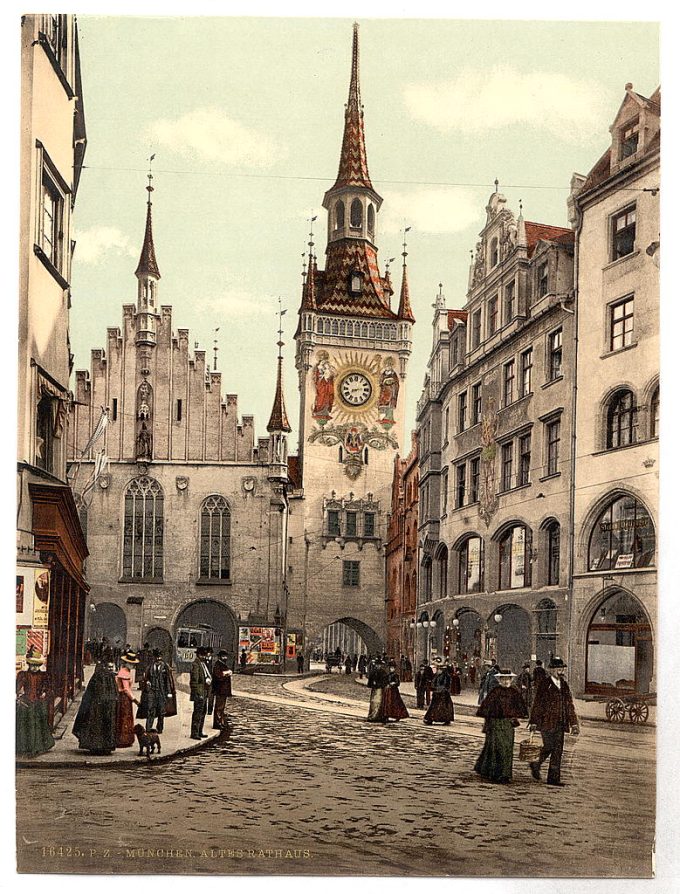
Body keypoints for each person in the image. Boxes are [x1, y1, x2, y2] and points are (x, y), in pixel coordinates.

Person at [528, 656, 579, 786]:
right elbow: (538, 703)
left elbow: (569, 705)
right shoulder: (545, 684)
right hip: (546, 722)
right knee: (549, 746)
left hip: (561, 722)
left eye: (562, 669)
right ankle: (536, 763)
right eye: (557, 669)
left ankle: (553, 779)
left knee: (558, 750)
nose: (560, 671)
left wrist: (574, 723)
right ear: (551, 670)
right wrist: (533, 721)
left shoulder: (564, 685)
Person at [474, 668, 528, 784]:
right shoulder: (495, 692)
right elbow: (486, 707)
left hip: (508, 724)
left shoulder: (514, 692)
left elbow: (521, 707)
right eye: (503, 679)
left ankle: (505, 774)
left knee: (507, 749)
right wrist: (488, 723)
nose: (506, 681)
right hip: (496, 724)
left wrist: (516, 716)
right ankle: (495, 773)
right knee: (497, 748)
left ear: (511, 679)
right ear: (499, 680)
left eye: (508, 679)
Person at [73, 660, 118, 754]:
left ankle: (99, 747)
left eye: (111, 667)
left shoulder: (104, 676)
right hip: (99, 706)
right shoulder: (105, 677)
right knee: (101, 727)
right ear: (104, 667)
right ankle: (103, 747)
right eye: (109, 667)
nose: (110, 669)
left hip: (103, 706)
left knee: (100, 727)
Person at [16, 649, 55, 757]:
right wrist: (19, 693)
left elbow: (48, 688)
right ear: (28, 664)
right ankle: (24, 747)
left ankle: (39, 746)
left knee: (38, 723)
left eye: (37, 665)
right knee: (26, 723)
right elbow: (18, 687)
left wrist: (44, 693)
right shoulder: (23, 674)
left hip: (38, 701)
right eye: (33, 665)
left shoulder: (43, 676)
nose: (35, 668)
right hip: (27, 701)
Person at [137, 648, 175, 734]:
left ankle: (160, 728)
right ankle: (148, 728)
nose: (158, 659)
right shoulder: (150, 667)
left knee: (161, 711)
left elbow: (168, 681)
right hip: (152, 692)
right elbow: (146, 678)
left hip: (162, 692)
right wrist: (147, 682)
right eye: (157, 657)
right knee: (150, 710)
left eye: (160, 657)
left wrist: (169, 692)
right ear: (154, 658)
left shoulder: (165, 667)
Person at [115, 651, 141, 747]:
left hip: (125, 697)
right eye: (130, 663)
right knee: (124, 717)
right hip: (123, 697)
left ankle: (124, 739)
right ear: (126, 663)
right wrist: (135, 700)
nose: (132, 665)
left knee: (124, 717)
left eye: (133, 664)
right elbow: (126, 689)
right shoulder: (124, 672)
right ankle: (123, 740)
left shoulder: (126, 671)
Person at [190, 646, 213, 739]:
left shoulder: (203, 664)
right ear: (199, 655)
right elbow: (194, 681)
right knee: (197, 713)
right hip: (200, 693)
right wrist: (198, 693)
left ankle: (200, 731)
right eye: (202, 655)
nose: (204, 657)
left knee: (203, 712)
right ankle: (194, 733)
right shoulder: (196, 664)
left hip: (204, 691)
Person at [424, 658, 455, 725]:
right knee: (434, 706)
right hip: (437, 693)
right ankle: (430, 719)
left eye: (439, 669)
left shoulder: (446, 676)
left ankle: (446, 719)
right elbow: (434, 682)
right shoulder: (437, 675)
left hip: (443, 693)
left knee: (443, 707)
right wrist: (433, 688)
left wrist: (442, 689)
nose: (438, 670)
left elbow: (446, 685)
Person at [211, 650, 233, 731]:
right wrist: (226, 673)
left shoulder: (222, 664)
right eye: (223, 656)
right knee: (219, 707)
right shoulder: (218, 665)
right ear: (220, 657)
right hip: (220, 689)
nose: (225, 658)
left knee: (222, 707)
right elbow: (218, 676)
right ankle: (217, 723)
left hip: (223, 690)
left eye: (225, 656)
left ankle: (220, 722)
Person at [366, 658, 388, 723]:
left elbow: (385, 681)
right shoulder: (373, 671)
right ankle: (372, 715)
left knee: (380, 702)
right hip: (374, 689)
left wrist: (380, 684)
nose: (378, 666)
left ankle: (379, 716)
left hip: (380, 689)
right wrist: (372, 683)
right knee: (373, 702)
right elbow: (370, 679)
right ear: (375, 665)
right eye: (377, 665)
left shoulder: (383, 672)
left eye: (379, 665)